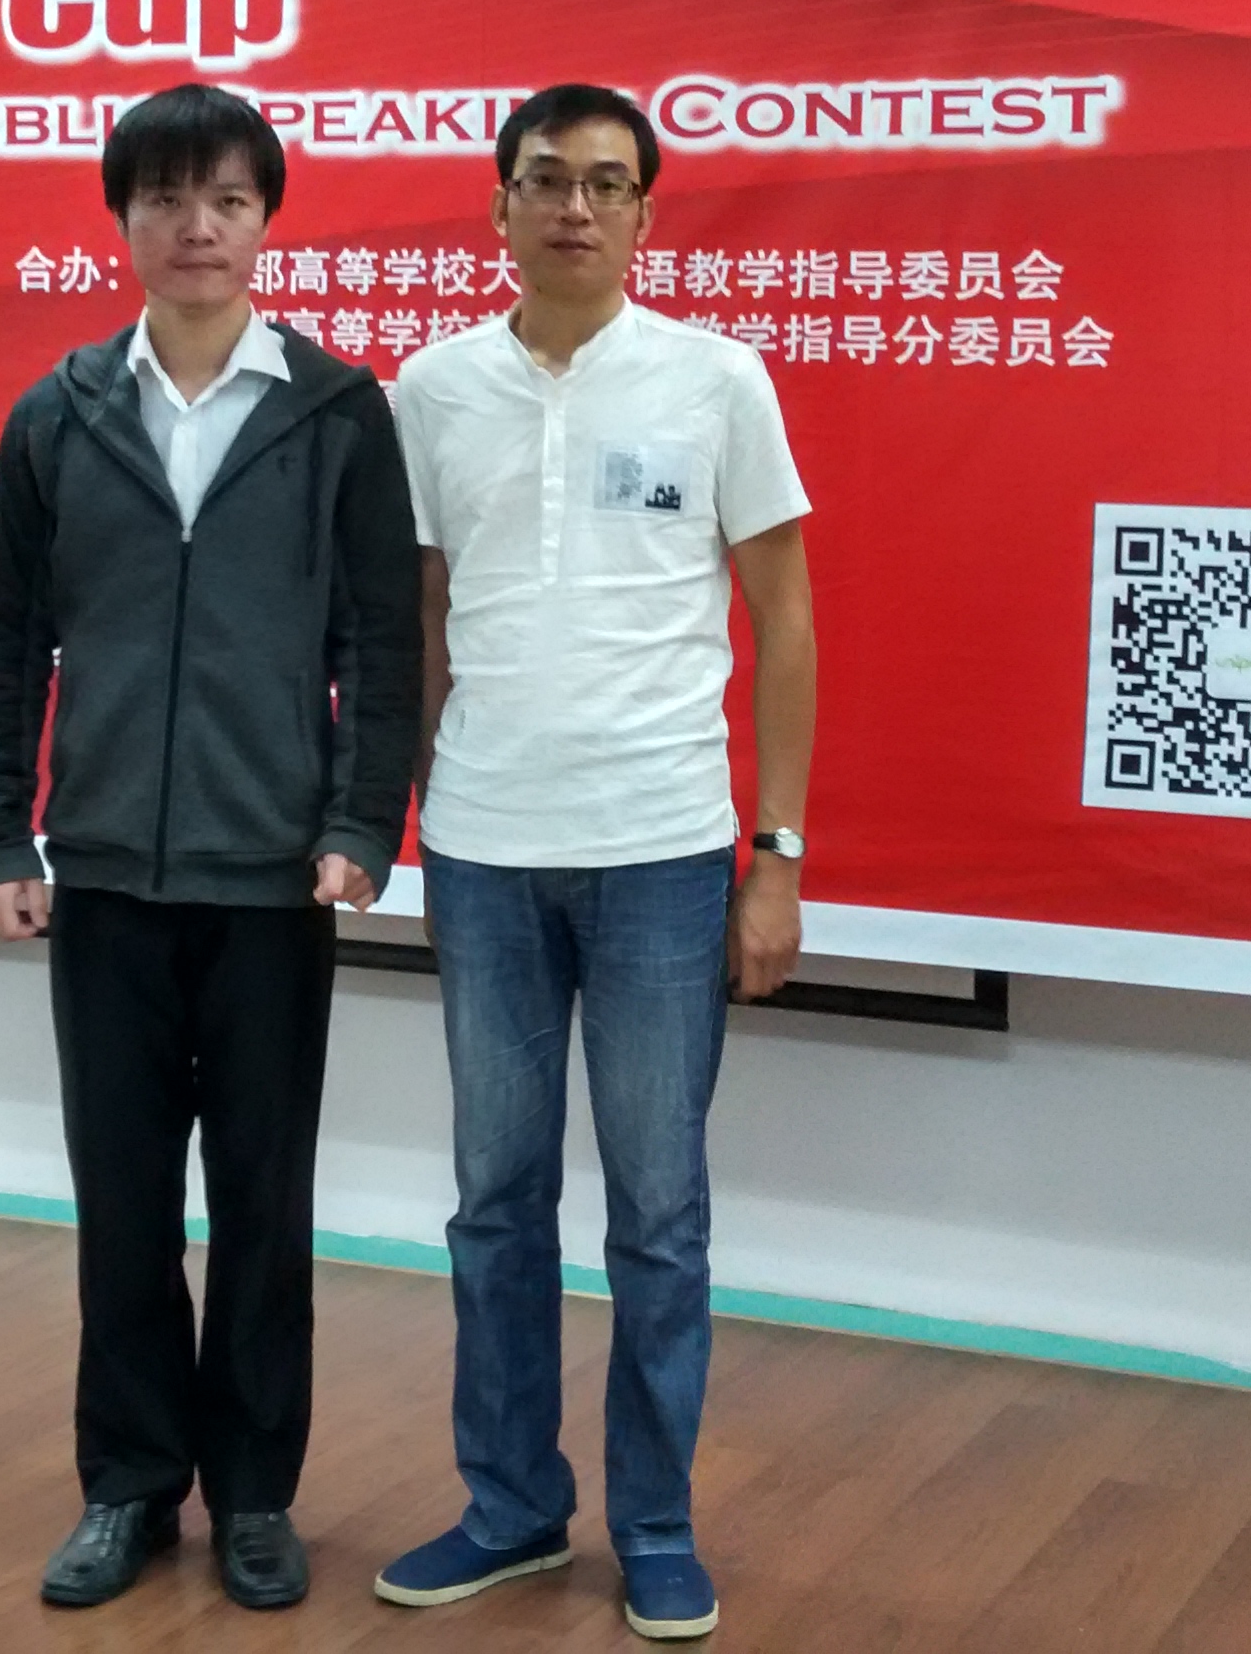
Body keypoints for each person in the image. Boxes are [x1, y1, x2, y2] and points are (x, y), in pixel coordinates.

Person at [0, 82, 420, 1613]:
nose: (197, 227)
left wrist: (362, 822)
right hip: (103, 878)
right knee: (124, 1202)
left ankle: (257, 1496)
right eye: (166, 199)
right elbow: (6, 639)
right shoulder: (60, 411)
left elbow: (381, 642)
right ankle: (130, 1485)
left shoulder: (336, 413)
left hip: (275, 879)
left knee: (266, 1207)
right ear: (124, 221)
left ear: (266, 219)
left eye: (227, 198)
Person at [371, 83, 816, 1643]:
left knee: (658, 1213)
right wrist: (416, 806)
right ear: (498, 203)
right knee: (494, 1203)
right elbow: (422, 617)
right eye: (547, 179)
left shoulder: (717, 381)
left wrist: (777, 853)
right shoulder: (431, 390)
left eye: (607, 184)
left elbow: (786, 620)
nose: (575, 207)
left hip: (662, 854)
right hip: (485, 854)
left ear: (644, 214)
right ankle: (509, 1508)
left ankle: (657, 1527)